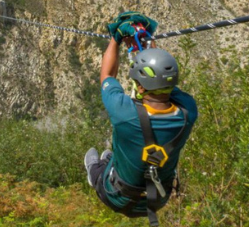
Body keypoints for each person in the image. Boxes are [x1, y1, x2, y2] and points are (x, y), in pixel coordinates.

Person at [85, 12, 198, 226]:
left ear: (141, 86)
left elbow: (107, 75)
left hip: (115, 195)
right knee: (115, 155)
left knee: (97, 159)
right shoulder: (187, 113)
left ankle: (96, 173)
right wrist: (145, 40)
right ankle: (109, 162)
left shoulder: (124, 113)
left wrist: (115, 38)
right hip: (157, 199)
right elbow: (163, 80)